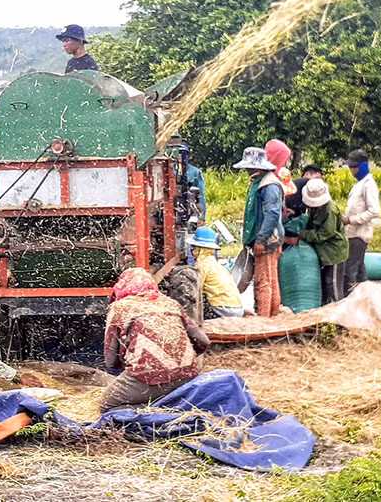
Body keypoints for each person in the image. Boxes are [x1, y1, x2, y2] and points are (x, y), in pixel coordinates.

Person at [99, 268, 210, 412]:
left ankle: (161, 410)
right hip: (187, 376)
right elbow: (203, 341)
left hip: (147, 377)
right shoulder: (171, 303)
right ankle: (176, 404)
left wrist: (129, 365)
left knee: (107, 406)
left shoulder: (119, 308)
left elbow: (110, 360)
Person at [235, 146, 285, 317]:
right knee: (271, 278)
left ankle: (263, 319)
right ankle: (273, 315)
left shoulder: (269, 185)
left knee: (263, 281)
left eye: (249, 167)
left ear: (258, 166)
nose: (247, 170)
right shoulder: (259, 181)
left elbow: (272, 214)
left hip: (268, 239)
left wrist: (261, 240)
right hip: (265, 238)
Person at [298, 179, 349, 304]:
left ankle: (337, 314)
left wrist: (303, 235)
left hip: (334, 252)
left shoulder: (329, 209)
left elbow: (326, 233)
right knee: (324, 283)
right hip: (323, 252)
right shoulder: (314, 208)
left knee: (333, 284)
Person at [343, 150, 380, 295]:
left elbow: (375, 210)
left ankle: (352, 298)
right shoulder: (360, 183)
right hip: (352, 233)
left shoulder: (368, 185)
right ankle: (365, 298)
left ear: (363, 166)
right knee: (359, 268)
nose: (352, 170)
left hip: (359, 234)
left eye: (354, 167)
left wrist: (351, 220)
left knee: (350, 269)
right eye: (350, 167)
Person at [188, 227, 243, 318]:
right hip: (237, 308)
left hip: (223, 310)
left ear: (199, 249)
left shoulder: (201, 265)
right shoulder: (216, 264)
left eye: (194, 247)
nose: (192, 250)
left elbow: (195, 290)